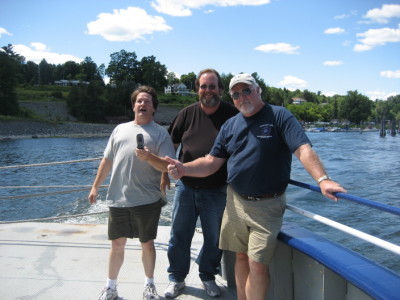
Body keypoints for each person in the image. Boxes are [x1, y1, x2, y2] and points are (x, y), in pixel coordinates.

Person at [166, 73, 347, 300]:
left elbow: (302, 149)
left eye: (246, 91)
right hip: (234, 202)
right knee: (240, 257)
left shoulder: (280, 116)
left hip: (267, 205)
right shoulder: (230, 125)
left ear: (258, 90)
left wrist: (322, 179)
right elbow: (211, 162)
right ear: (231, 98)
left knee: (258, 264)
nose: (242, 97)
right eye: (236, 94)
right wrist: (183, 169)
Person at [88, 85, 175, 300]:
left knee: (147, 243)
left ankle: (149, 286)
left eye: (147, 101)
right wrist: (95, 186)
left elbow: (168, 166)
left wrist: (149, 158)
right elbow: (107, 160)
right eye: (139, 101)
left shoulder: (160, 133)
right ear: (133, 105)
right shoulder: (119, 129)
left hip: (146, 200)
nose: (143, 104)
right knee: (117, 244)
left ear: (154, 108)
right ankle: (110, 288)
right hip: (118, 198)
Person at [164, 68, 238, 298]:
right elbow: (169, 144)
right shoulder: (186, 114)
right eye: (203, 86)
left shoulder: (232, 115)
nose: (208, 91)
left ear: (221, 90)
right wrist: (162, 173)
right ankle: (176, 278)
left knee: (214, 238)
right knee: (179, 235)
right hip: (185, 187)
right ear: (197, 89)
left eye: (212, 86)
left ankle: (207, 276)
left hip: (217, 190)